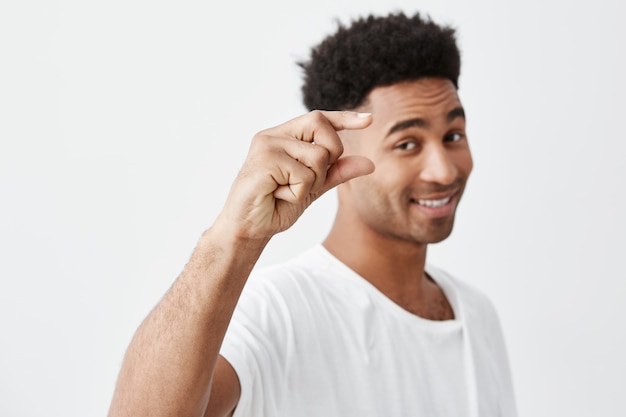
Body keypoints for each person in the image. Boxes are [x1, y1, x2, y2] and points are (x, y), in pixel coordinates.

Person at [108, 12, 517, 417]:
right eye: (407, 144)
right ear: (337, 149)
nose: (444, 170)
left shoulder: (476, 314)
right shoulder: (275, 310)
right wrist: (234, 237)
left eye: (453, 136)